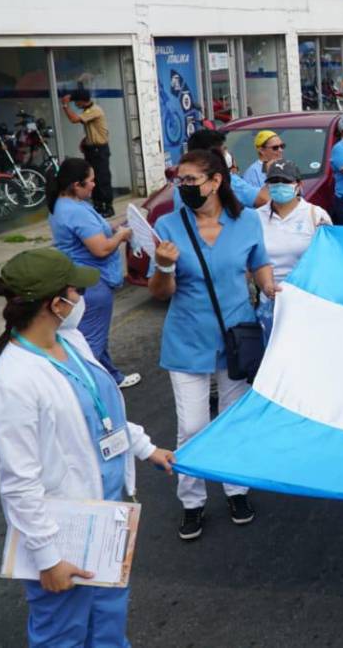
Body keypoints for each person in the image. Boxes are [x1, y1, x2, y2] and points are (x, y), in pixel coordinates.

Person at [0, 248, 174, 647]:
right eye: (75, 291)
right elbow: (19, 483)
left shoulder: (72, 341)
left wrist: (146, 448)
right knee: (62, 635)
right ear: (56, 304)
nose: (82, 298)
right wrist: (48, 559)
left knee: (108, 626)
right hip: (62, 535)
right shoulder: (10, 382)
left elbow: (103, 414)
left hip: (106, 522)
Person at [148, 149, 275, 540]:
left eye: (190, 181)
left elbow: (259, 264)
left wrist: (270, 286)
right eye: (178, 181)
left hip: (237, 337)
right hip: (187, 340)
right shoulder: (168, 227)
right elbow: (159, 292)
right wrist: (165, 266)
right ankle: (192, 501)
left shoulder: (247, 221)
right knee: (193, 426)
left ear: (216, 181)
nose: (182, 187)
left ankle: (236, 490)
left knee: (233, 422)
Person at [46, 158, 140, 389]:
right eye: (90, 181)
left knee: (94, 333)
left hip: (81, 278)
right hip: (93, 283)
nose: (94, 185)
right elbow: (100, 249)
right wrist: (122, 236)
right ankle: (84, 389)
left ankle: (113, 377)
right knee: (92, 342)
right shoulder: (75, 211)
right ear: (76, 185)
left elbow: (96, 230)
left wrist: (119, 224)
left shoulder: (66, 204)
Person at [255, 159, 331, 342]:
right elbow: (252, 262)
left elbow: (329, 261)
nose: (279, 186)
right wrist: (265, 286)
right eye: (274, 181)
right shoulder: (255, 218)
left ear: (298, 185)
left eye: (285, 181)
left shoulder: (316, 215)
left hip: (307, 301)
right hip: (270, 303)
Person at [60, 88, 114, 217]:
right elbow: (95, 129)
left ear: (81, 101)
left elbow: (73, 119)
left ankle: (108, 207)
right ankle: (98, 205)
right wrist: (85, 141)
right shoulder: (88, 110)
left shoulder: (94, 110)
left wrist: (65, 105)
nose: (75, 105)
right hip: (91, 149)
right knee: (92, 178)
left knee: (102, 178)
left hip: (99, 150)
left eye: (76, 102)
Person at [184, 129, 268, 208]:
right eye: (224, 150)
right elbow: (264, 199)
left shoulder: (180, 186)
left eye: (281, 146)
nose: (227, 154)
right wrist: (273, 174)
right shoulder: (229, 181)